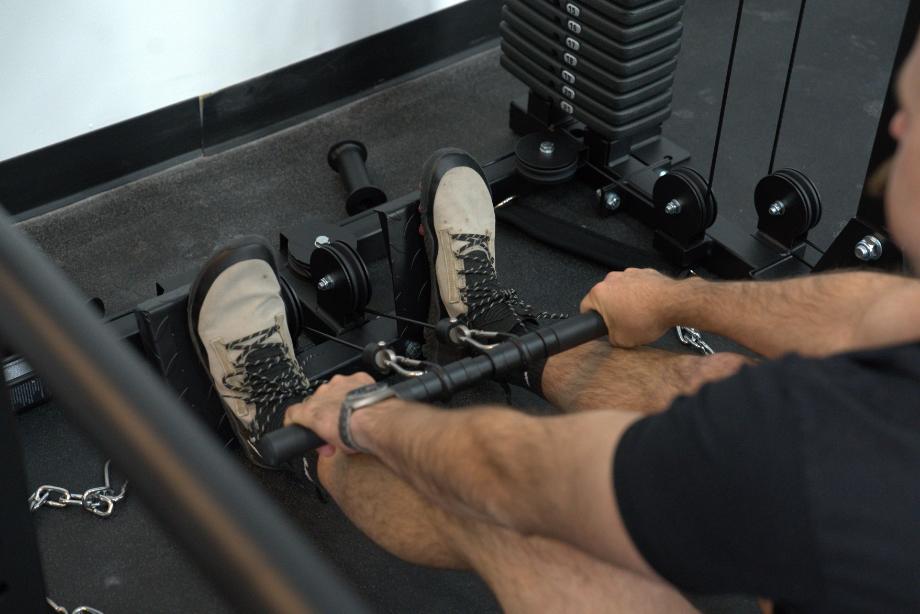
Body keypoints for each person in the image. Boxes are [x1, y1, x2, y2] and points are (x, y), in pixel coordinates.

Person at [186, 37, 920, 613]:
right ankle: (498, 336)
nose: (894, 124)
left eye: (914, 115)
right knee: (712, 381)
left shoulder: (827, 450)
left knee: (526, 528)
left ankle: (296, 436)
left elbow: (517, 474)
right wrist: (681, 300)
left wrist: (363, 418)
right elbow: (874, 314)